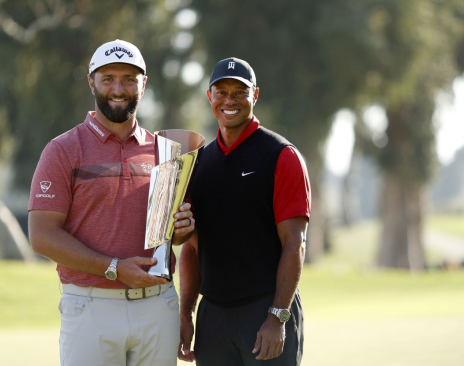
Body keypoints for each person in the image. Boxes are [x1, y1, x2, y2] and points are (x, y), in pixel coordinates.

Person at [28, 39, 194, 366]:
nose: (119, 89)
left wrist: (182, 229)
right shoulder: (63, 150)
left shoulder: (167, 151)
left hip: (157, 306)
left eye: (129, 79)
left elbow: (173, 235)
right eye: (108, 79)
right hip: (91, 307)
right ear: (92, 82)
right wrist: (114, 268)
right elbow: (42, 235)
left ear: (143, 84)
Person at [178, 57, 311, 365]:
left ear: (255, 95)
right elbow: (192, 249)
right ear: (210, 96)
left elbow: (295, 242)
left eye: (240, 92)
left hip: (265, 310)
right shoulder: (198, 163)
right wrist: (186, 314)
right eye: (221, 92)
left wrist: (277, 317)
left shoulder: (281, 156)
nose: (230, 100)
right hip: (213, 316)